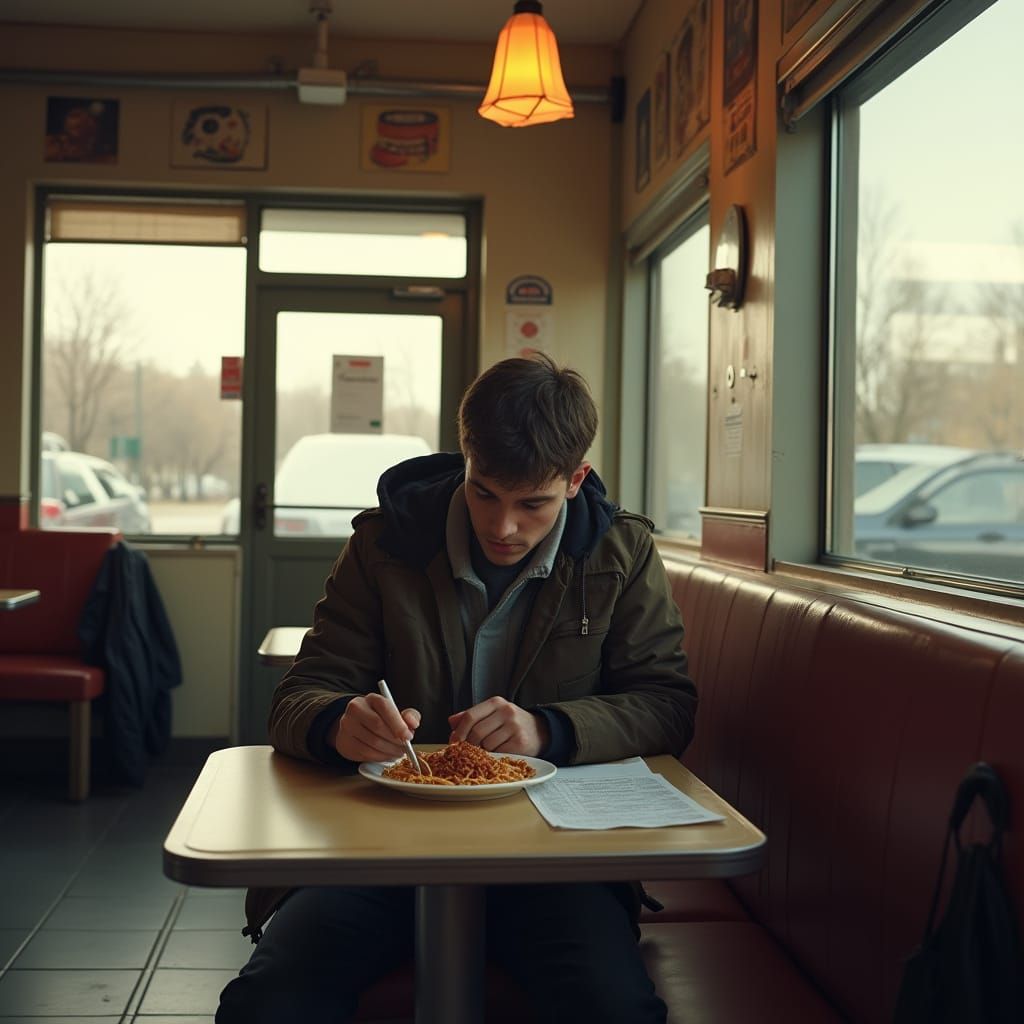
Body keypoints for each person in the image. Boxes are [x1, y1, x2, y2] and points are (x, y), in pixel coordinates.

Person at [216, 353, 698, 1024]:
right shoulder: (384, 545)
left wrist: (548, 729)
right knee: (267, 1004)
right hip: (380, 851)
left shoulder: (622, 554)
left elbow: (666, 704)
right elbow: (300, 693)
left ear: (576, 478)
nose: (503, 528)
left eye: (533, 504)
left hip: (557, 860)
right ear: (465, 461)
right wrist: (335, 723)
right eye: (483, 494)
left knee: (612, 1009)